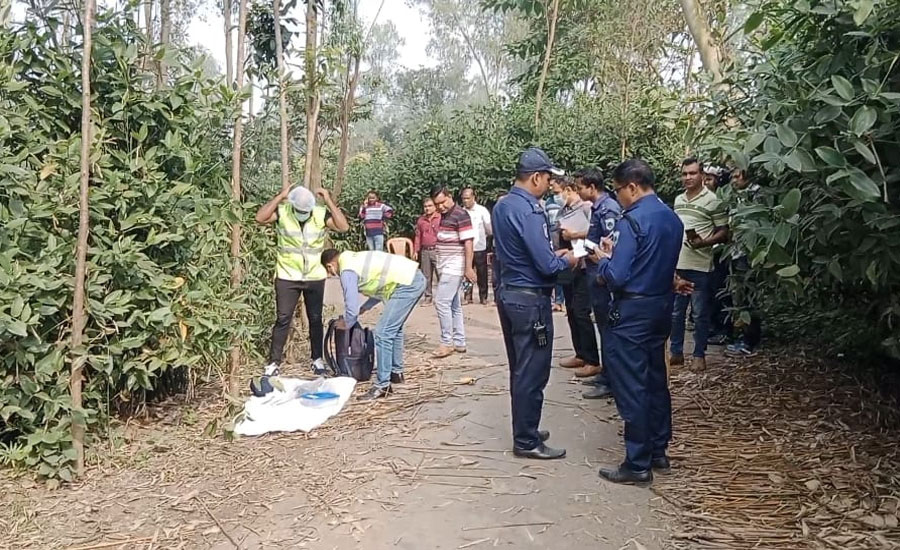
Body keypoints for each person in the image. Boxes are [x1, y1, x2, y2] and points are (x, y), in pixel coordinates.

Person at [590, 158, 689, 485]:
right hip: (661, 307)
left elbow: (617, 276)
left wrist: (603, 262)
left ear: (632, 187)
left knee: (631, 384)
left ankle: (637, 462)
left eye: (618, 190)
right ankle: (659, 449)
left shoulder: (630, 221)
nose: (617, 197)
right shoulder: (673, 220)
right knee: (655, 379)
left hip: (632, 312)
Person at [494, 147, 577, 460]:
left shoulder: (503, 205)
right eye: (547, 178)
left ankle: (525, 427)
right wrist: (567, 260)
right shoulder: (530, 210)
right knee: (533, 371)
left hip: (511, 292)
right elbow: (545, 263)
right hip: (530, 300)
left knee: (520, 367)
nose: (548, 185)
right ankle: (526, 440)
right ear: (537, 177)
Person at [256, 186, 350, 376]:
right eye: (299, 211)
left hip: (314, 276)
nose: (302, 214)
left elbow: (343, 227)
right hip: (287, 275)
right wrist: (280, 197)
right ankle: (274, 363)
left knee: (315, 319)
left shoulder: (319, 214)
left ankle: (317, 359)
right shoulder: (283, 212)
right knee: (283, 318)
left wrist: (329, 201)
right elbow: (260, 218)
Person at [321, 249, 426, 400]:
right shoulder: (354, 259)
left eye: (330, 272)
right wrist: (365, 307)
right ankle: (396, 373)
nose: (333, 275)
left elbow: (350, 306)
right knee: (394, 329)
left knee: (383, 333)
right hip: (413, 278)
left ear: (330, 265)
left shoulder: (346, 270)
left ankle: (382, 386)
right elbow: (381, 284)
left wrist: (347, 323)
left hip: (407, 285)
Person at [670, 158, 729, 371]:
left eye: (692, 173)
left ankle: (699, 355)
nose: (688, 177)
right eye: (684, 173)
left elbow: (724, 232)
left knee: (700, 313)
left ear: (702, 175)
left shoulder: (713, 201)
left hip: (701, 265)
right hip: (678, 263)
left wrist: (704, 242)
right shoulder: (678, 200)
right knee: (676, 313)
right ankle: (676, 353)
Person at [570, 168, 621, 399]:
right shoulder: (598, 208)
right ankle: (606, 373)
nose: (578, 191)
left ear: (592, 187)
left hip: (601, 275)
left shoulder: (608, 208)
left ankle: (611, 380)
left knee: (607, 329)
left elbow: (609, 246)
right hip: (592, 272)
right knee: (602, 327)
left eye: (580, 187)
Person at [554, 178, 601, 379]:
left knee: (582, 311)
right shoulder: (563, 210)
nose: (556, 196)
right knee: (571, 310)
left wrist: (575, 233)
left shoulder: (586, 207)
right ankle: (580, 353)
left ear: (569, 189)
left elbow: (594, 233)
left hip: (584, 263)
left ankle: (592, 360)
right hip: (568, 263)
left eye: (558, 191)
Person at [430, 185, 477, 358]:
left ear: (450, 196)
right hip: (445, 265)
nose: (440, 206)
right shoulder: (444, 216)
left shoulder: (461, 215)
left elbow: (468, 243)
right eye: (437, 204)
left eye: (442, 202)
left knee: (441, 302)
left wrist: (468, 267)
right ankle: (459, 341)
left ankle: (446, 342)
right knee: (453, 304)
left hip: (454, 266)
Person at [724, 168, 763, 357]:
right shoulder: (737, 195)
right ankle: (743, 336)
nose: (733, 180)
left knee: (748, 297)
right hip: (736, 252)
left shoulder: (757, 194)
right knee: (739, 296)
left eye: (737, 176)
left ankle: (749, 341)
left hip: (749, 253)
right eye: (732, 176)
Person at [461, 188, 492, 305]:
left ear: (474, 198)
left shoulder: (482, 211)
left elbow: (489, 229)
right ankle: (467, 296)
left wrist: (485, 238)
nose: (465, 201)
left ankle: (483, 297)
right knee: (467, 274)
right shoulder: (461, 212)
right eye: (464, 198)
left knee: (482, 273)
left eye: (468, 198)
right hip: (465, 248)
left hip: (479, 247)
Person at [414, 197, 441, 305]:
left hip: (437, 249)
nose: (427, 208)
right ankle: (428, 297)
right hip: (425, 250)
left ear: (435, 207)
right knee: (426, 276)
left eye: (430, 206)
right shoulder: (421, 220)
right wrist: (416, 250)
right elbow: (418, 236)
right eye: (425, 206)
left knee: (441, 274)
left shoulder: (440, 218)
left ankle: (441, 298)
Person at [543, 187, 566, 313]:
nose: (551, 188)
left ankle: (561, 300)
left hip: (563, 237)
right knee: (555, 269)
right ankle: (557, 300)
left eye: (555, 186)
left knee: (563, 270)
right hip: (552, 238)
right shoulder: (548, 202)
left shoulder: (565, 201)